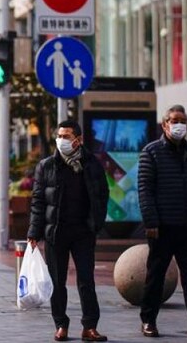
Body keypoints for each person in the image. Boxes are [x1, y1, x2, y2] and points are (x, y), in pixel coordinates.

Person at [137, 105, 187, 342]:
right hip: (162, 228)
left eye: (183, 121)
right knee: (155, 277)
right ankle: (148, 320)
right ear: (165, 124)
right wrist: (151, 222)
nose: (179, 125)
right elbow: (145, 190)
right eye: (174, 120)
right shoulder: (151, 152)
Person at [27, 120, 110, 342]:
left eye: (66, 136)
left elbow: (103, 194)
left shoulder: (91, 164)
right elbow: (38, 201)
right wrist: (34, 232)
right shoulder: (47, 166)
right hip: (56, 232)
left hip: (83, 232)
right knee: (57, 281)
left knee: (86, 281)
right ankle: (61, 325)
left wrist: (97, 223)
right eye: (59, 136)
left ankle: (89, 327)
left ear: (78, 140)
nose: (61, 140)